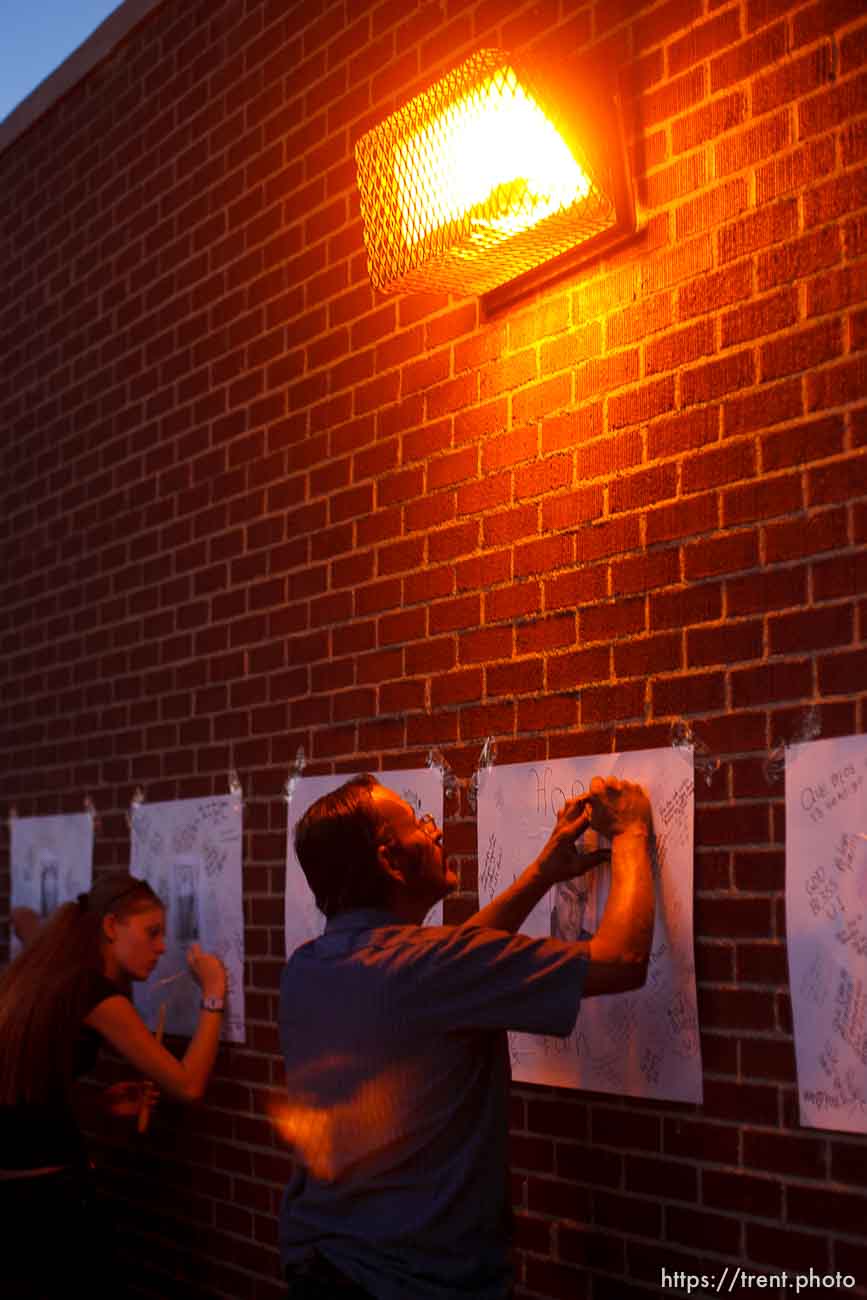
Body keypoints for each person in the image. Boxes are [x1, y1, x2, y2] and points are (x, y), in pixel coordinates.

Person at [277, 772, 654, 1299]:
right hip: (413, 1284)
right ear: (389, 860)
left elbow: (453, 965)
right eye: (419, 824)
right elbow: (621, 960)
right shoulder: (431, 969)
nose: (436, 832)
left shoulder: (308, 968)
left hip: (323, 1266)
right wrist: (633, 831)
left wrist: (542, 874)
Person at [0, 871, 228, 1299]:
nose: (163, 946)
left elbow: (23, 1096)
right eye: (152, 932)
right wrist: (214, 994)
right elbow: (188, 1085)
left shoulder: (53, 975)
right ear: (110, 926)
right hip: (49, 1205)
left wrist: (95, 1109)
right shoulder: (95, 994)